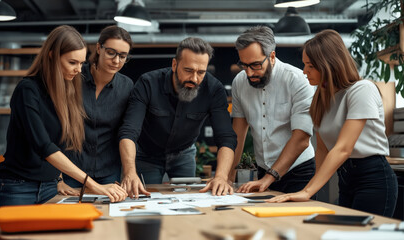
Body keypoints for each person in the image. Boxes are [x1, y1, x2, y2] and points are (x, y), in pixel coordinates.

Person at [0, 25, 127, 209]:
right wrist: (94, 185)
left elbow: (61, 144)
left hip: (50, 188)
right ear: (52, 56)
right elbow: (44, 146)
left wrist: (59, 179)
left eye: (81, 63)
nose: (79, 70)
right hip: (18, 188)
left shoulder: (66, 90)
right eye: (72, 63)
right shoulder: (27, 90)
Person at [267, 29, 398, 217]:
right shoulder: (321, 98)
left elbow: (343, 148)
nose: (304, 71)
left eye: (310, 66)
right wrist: (312, 190)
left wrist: (307, 191)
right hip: (345, 180)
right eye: (304, 65)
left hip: (373, 179)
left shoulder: (362, 90)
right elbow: (322, 149)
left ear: (329, 65)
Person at [118, 37, 237, 197]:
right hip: (146, 155)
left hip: (184, 154)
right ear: (174, 65)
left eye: (201, 72)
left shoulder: (214, 90)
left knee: (186, 202)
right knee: (141, 199)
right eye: (188, 70)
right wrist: (130, 172)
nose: (194, 79)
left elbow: (226, 138)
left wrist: (221, 177)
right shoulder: (148, 83)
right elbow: (128, 132)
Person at [230, 26, 316, 194]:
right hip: (263, 171)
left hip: (299, 172)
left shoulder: (297, 80)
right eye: (244, 65)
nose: (249, 73)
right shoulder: (239, 83)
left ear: (272, 57)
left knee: (294, 220)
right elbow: (237, 136)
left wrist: (269, 177)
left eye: (255, 65)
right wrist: (226, 177)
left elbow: (301, 139)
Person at [57, 26, 134, 195]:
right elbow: (56, 128)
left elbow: (126, 130)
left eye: (122, 56)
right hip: (71, 171)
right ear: (99, 48)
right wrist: (58, 178)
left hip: (108, 172)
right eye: (111, 52)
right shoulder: (74, 77)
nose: (116, 60)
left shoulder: (127, 86)